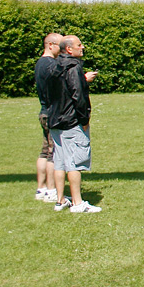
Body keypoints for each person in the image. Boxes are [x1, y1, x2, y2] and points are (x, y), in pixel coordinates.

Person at [49, 35, 101, 213]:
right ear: (69, 49)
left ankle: (60, 199)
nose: (83, 47)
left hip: (55, 120)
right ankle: (78, 203)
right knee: (74, 163)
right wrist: (84, 119)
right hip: (70, 121)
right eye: (79, 45)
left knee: (60, 161)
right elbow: (77, 95)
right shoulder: (73, 67)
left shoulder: (55, 66)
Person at [34, 33, 62, 203]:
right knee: (54, 152)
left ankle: (41, 188)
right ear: (50, 45)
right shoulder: (50, 64)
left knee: (45, 151)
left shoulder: (40, 63)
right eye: (60, 44)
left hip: (44, 110)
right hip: (52, 112)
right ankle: (52, 190)